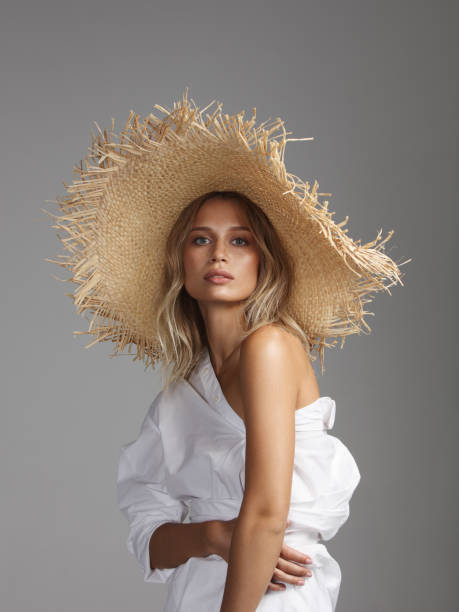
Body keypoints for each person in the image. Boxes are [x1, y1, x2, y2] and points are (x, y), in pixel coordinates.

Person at [45, 90, 409, 611]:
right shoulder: (177, 399)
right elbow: (149, 538)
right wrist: (212, 535)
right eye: (200, 239)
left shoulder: (270, 349)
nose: (219, 253)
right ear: (180, 263)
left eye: (239, 240)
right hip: (198, 594)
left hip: (271, 597)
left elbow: (265, 517)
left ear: (263, 260)